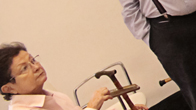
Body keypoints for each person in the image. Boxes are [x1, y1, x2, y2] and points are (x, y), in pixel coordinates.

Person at [0, 42, 139, 110]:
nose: (36, 67)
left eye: (33, 60)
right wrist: (92, 107)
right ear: (9, 88)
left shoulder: (48, 94)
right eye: (24, 68)